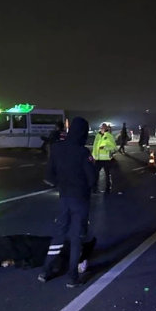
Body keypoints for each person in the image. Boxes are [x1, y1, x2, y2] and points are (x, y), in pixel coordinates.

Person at [39, 117, 98, 288]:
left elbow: (49, 176)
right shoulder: (83, 152)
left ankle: (46, 270)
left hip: (64, 197)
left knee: (59, 234)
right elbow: (92, 179)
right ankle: (72, 277)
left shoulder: (57, 148)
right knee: (76, 237)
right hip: (80, 199)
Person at [92, 123, 117, 193]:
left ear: (106, 128)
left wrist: (105, 147)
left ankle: (108, 188)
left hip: (107, 159)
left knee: (107, 174)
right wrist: (93, 156)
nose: (102, 129)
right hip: (98, 159)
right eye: (101, 127)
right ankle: (94, 188)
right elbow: (95, 146)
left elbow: (114, 148)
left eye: (104, 127)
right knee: (94, 174)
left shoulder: (109, 136)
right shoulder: (97, 136)